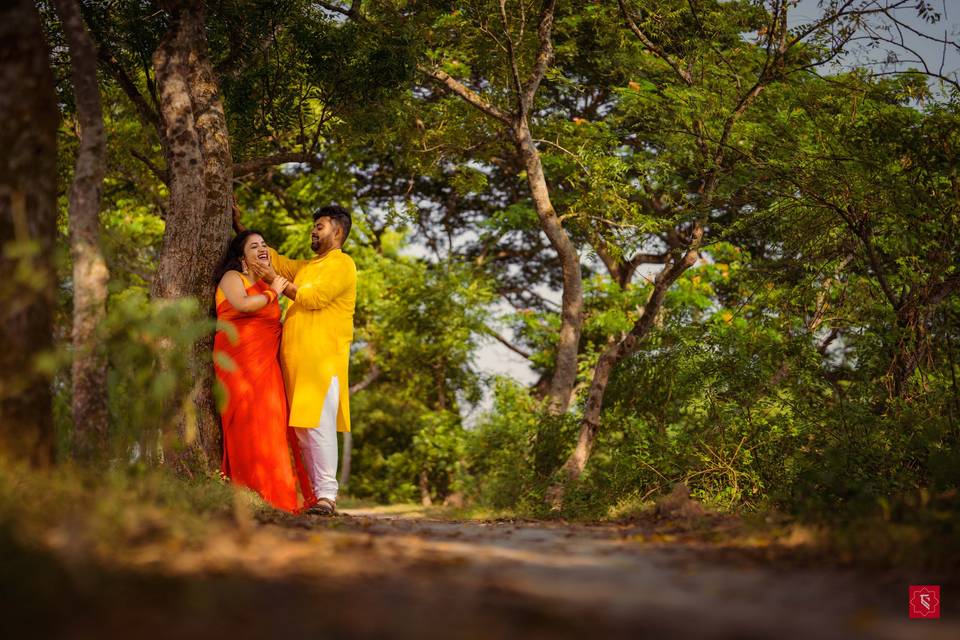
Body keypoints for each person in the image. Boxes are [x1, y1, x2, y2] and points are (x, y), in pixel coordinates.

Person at [250, 205, 357, 517]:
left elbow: (312, 298)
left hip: (322, 360)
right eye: (314, 225)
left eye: (320, 226)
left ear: (337, 232)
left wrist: (274, 279)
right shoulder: (308, 266)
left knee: (318, 428)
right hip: (294, 361)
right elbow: (278, 263)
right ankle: (314, 495)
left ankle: (327, 496)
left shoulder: (342, 264)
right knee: (301, 430)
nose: (313, 230)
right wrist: (247, 234)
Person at [212, 230, 312, 512]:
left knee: (271, 427)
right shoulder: (233, 278)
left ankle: (278, 498)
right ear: (242, 256)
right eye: (254, 246)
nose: (262, 249)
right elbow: (242, 305)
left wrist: (272, 288)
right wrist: (273, 292)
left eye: (265, 245)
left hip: (267, 366)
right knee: (246, 425)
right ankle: (249, 495)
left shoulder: (269, 282)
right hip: (238, 362)